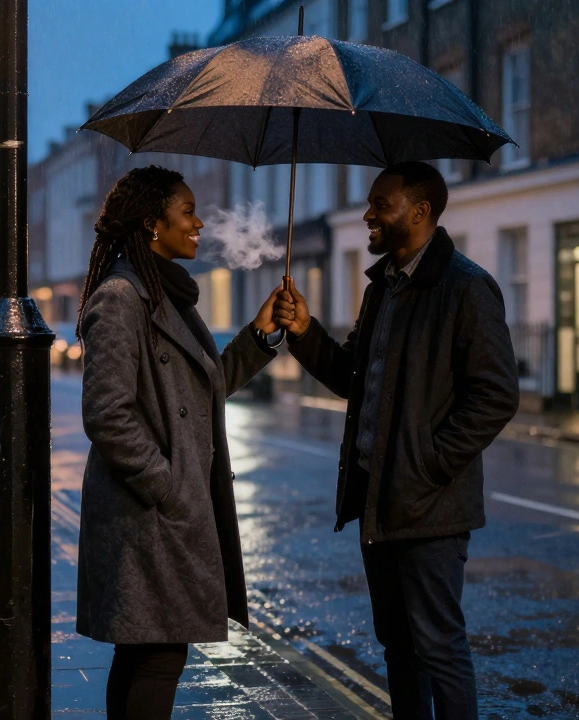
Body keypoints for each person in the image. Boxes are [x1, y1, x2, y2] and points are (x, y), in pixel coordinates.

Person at [272, 161, 520, 720]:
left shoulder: (467, 288)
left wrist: (428, 464)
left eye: (380, 204)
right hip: (377, 502)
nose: (367, 214)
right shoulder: (383, 287)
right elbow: (353, 377)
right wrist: (306, 333)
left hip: (429, 506)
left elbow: (497, 396)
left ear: (420, 211)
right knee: (399, 648)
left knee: (440, 648)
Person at [75, 166, 285, 719]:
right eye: (187, 211)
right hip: (145, 519)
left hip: (157, 520)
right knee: (156, 657)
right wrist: (168, 486)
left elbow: (198, 388)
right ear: (151, 224)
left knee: (147, 656)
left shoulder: (164, 295)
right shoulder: (122, 297)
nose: (199, 223)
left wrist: (260, 337)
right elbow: (107, 413)